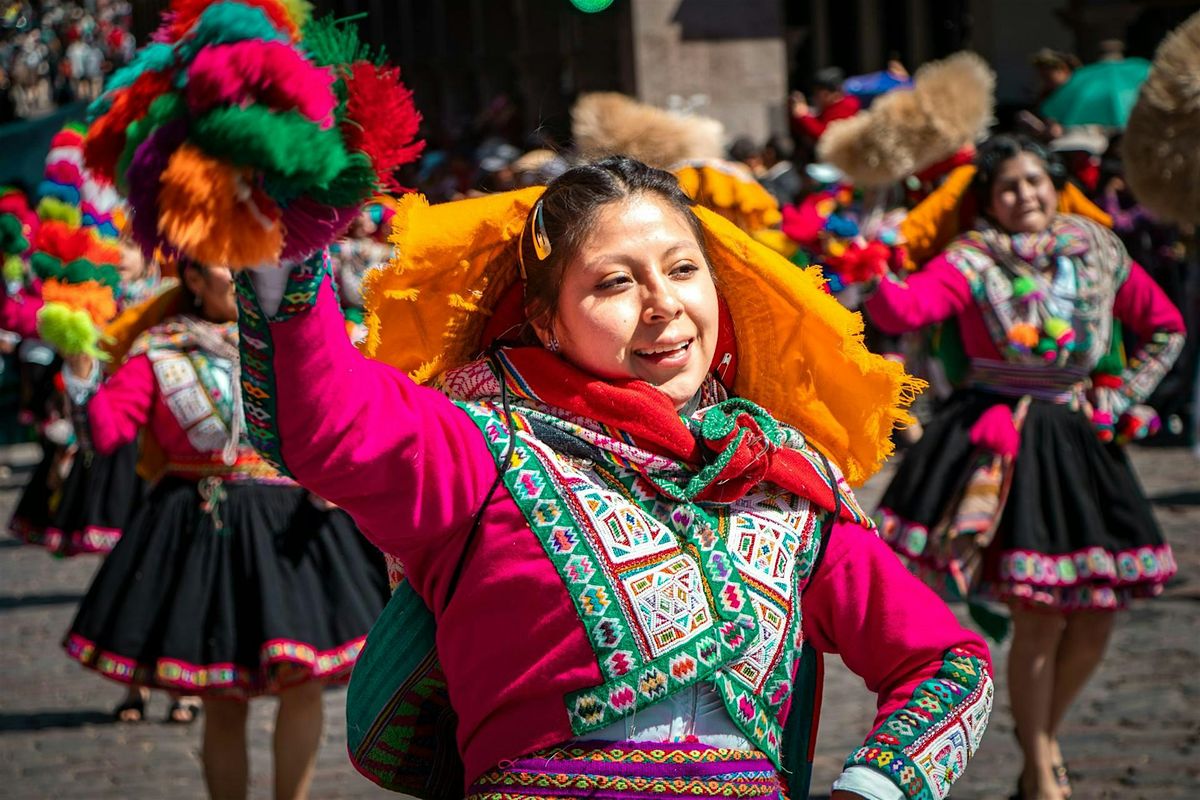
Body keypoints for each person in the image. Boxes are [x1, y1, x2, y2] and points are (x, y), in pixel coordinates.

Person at [237, 156, 994, 800]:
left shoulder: (781, 485)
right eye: (615, 284)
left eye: (683, 270)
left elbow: (948, 664)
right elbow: (326, 419)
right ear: (545, 320)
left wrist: (878, 783)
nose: (664, 305)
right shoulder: (481, 450)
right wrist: (285, 254)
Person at [864, 135, 1184, 800]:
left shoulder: (1097, 248)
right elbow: (908, 309)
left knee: (1097, 611)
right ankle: (1040, 768)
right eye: (1009, 186)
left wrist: (1122, 395)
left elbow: (1166, 325)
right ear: (990, 199)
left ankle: (1042, 740)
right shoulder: (973, 257)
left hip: (1079, 438)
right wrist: (878, 260)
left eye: (1035, 181)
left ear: (1055, 185)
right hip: (1001, 439)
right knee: (1038, 609)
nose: (1025, 195)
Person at [59, 259, 390, 799]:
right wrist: (78, 370)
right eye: (225, 261)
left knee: (302, 684)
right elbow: (107, 429)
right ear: (192, 278)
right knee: (221, 696)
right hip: (205, 528)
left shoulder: (302, 336)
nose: (241, 271)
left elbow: (360, 407)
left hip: (296, 526)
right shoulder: (160, 350)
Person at [790, 67, 861, 145]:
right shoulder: (830, 107)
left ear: (833, 94)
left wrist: (804, 117)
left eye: (819, 94)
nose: (816, 98)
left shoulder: (847, 106)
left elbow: (825, 136)